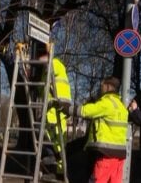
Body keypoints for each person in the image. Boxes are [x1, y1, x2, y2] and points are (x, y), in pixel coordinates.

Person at [64, 76, 128, 183]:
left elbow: (85, 111)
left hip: (106, 154)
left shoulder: (106, 103)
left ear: (108, 86)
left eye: (101, 86)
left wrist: (66, 108)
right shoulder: (121, 106)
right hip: (119, 155)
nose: (100, 89)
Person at [38, 47, 72, 176]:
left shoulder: (56, 63)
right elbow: (41, 90)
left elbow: (49, 67)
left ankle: (54, 159)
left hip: (57, 107)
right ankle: (60, 170)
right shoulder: (45, 73)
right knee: (58, 140)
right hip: (57, 107)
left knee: (49, 134)